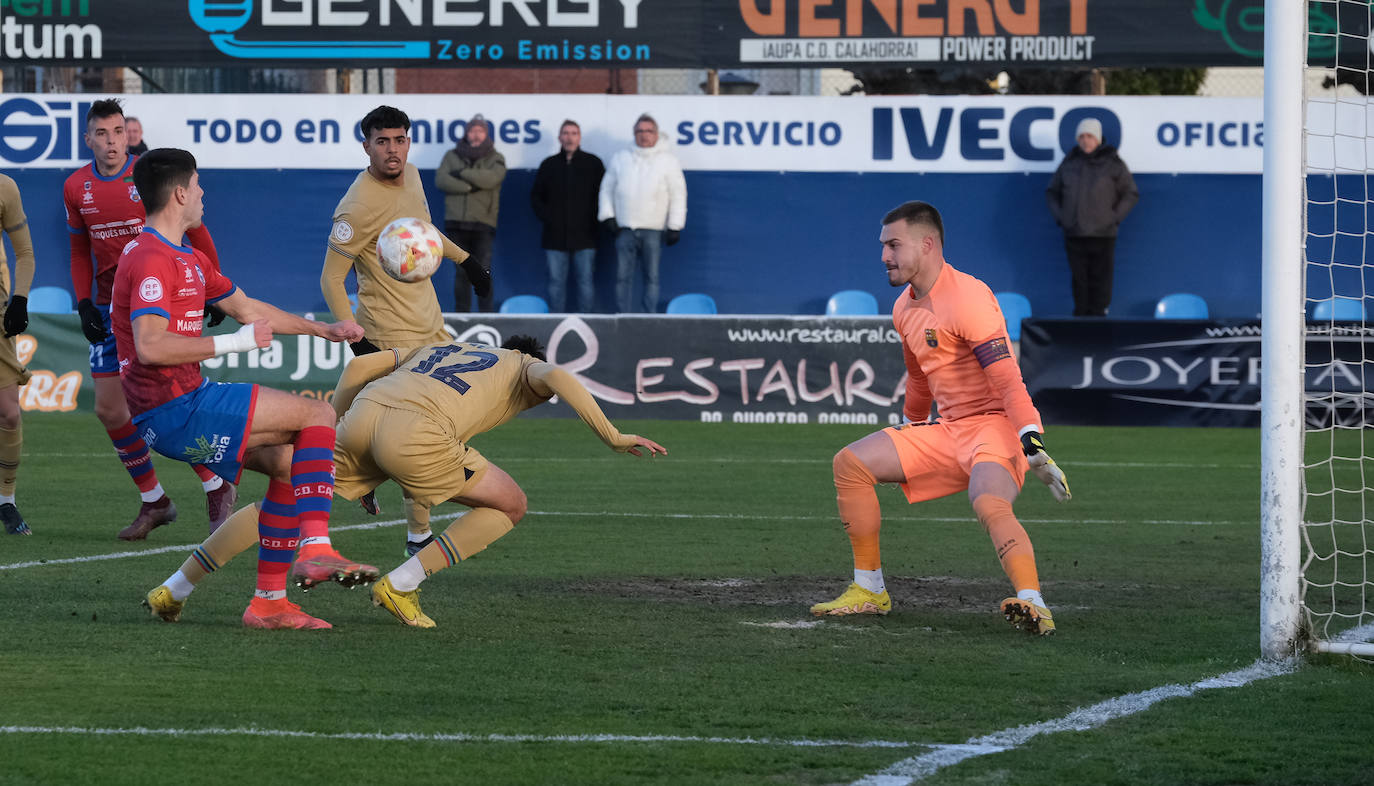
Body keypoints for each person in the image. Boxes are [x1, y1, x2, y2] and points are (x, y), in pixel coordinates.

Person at [117, 148, 370, 629]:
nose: (203, 193)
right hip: (176, 407)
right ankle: (317, 549)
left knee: (293, 467)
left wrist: (325, 331)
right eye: (198, 184)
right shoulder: (152, 257)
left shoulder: (185, 257)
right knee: (318, 416)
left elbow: (249, 308)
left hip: (178, 408)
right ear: (179, 193)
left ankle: (268, 604)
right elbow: (150, 345)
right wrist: (235, 342)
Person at [810, 201, 1072, 636]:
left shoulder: (968, 298)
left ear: (927, 245)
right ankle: (869, 591)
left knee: (988, 500)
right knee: (850, 463)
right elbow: (918, 380)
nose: (883, 256)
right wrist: (908, 432)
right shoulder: (903, 308)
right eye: (883, 246)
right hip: (950, 431)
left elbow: (1008, 379)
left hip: (995, 428)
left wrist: (1032, 441)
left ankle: (1032, 602)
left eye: (893, 245)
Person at [331, 334, 665, 627]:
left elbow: (358, 369)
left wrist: (331, 433)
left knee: (294, 477)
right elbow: (557, 375)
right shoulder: (522, 365)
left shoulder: (443, 346)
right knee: (511, 504)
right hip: (417, 432)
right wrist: (613, 437)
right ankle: (402, 583)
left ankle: (276, 593)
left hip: (363, 413)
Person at [63, 98, 237, 541]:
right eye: (101, 134)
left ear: (129, 134)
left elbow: (195, 230)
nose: (111, 141)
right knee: (108, 407)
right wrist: (83, 302)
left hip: (159, 303)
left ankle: (216, 484)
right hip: (108, 307)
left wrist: (211, 290)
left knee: (168, 402)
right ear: (88, 139)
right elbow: (80, 249)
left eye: (118, 131)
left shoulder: (146, 177)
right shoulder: (75, 187)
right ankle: (155, 501)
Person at [321, 104, 490, 559]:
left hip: (432, 331)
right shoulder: (356, 207)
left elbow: (425, 233)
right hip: (387, 339)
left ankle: (370, 481)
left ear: (408, 141)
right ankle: (409, 534)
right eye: (382, 142)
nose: (392, 150)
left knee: (430, 434)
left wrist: (466, 261)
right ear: (366, 146)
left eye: (399, 140)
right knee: (420, 438)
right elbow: (331, 279)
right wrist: (357, 337)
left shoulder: (413, 176)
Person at [1045, 117, 1139, 317]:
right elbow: (1052, 191)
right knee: (1079, 280)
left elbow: (1130, 193)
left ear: (1098, 139)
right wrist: (1063, 218)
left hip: (1103, 234)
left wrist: (1114, 218)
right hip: (1074, 233)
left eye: (1090, 136)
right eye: (1082, 136)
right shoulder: (1069, 162)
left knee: (1101, 280)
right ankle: (1080, 322)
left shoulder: (1112, 162)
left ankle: (1098, 320)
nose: (1086, 140)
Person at [597, 114, 687, 313]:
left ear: (656, 134)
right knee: (622, 277)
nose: (644, 135)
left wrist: (675, 225)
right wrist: (608, 216)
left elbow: (678, 194)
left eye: (648, 131)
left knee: (652, 277)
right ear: (634, 134)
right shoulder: (621, 158)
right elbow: (607, 189)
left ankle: (649, 318)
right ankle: (622, 316)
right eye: (640, 131)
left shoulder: (668, 161)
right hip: (625, 229)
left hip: (653, 230)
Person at [435, 113, 507, 313]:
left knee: (483, 271)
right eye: (472, 130)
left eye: (480, 131)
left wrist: (462, 174)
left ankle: (487, 315)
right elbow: (441, 180)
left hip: (483, 224)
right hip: (456, 223)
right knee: (461, 273)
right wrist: (469, 187)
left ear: (486, 134)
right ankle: (463, 316)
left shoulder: (496, 158)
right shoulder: (452, 155)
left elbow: (491, 179)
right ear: (466, 133)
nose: (476, 135)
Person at [531, 119, 604, 312]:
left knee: (585, 282)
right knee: (556, 282)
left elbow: (603, 196)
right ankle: (556, 321)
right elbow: (536, 197)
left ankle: (587, 322)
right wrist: (549, 219)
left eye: (573, 133)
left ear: (579, 137)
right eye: (566, 133)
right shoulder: (549, 165)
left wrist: (594, 222)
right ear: (559, 137)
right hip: (554, 236)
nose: (569, 137)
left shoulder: (593, 164)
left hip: (586, 236)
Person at [0, 174, 35, 535]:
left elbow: (24, 253)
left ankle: (5, 501)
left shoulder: (5, 187)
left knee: (9, 414)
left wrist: (19, 299)